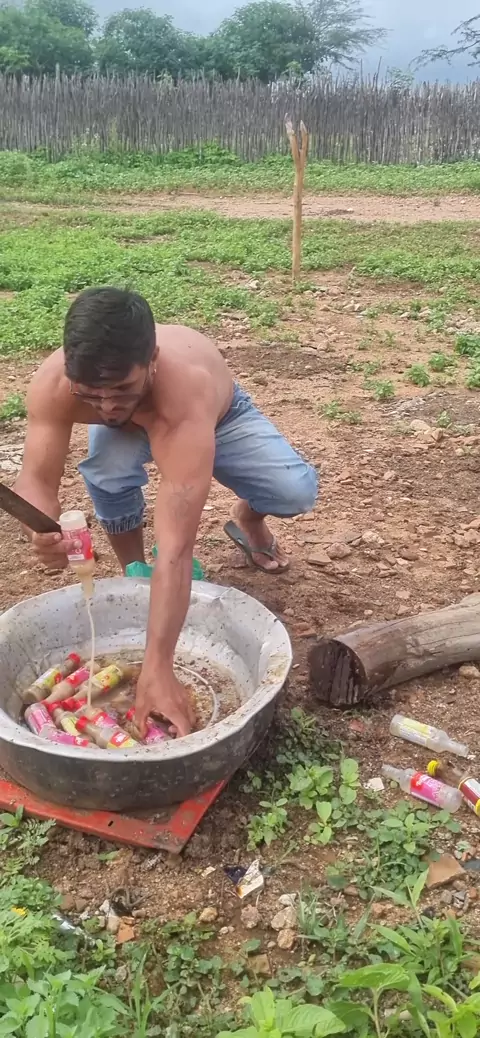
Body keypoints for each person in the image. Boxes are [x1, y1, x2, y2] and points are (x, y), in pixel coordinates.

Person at [15, 287, 317, 736]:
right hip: (140, 419)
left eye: (122, 389)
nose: (108, 406)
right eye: (92, 395)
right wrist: (40, 529)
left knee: (294, 492)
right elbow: (36, 482)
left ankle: (249, 518)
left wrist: (157, 669)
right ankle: (133, 570)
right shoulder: (58, 385)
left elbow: (176, 550)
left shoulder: (185, 392)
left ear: (152, 360)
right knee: (109, 468)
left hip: (212, 417)